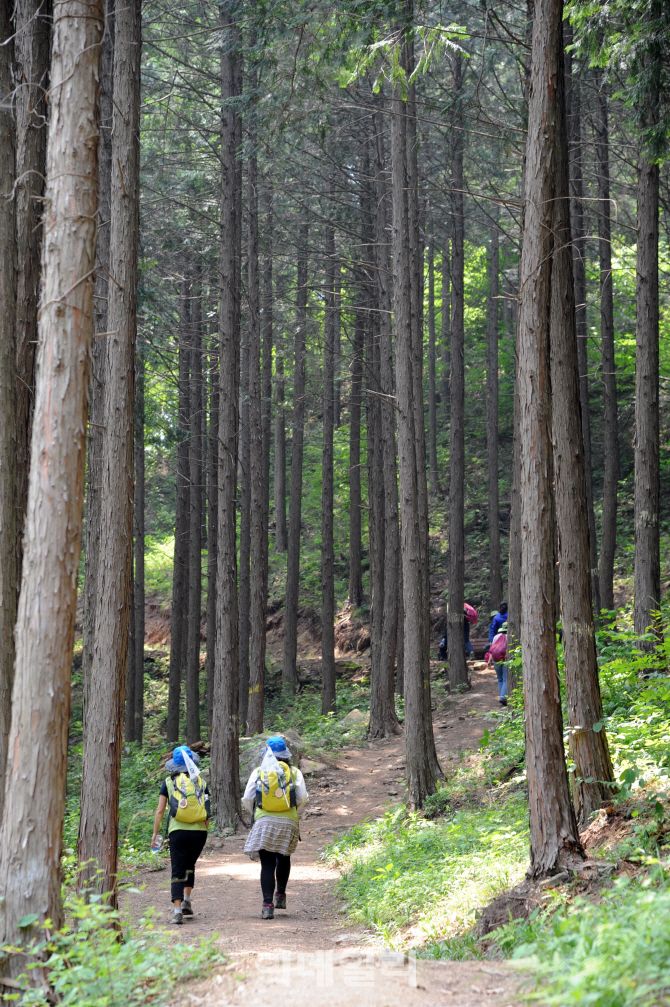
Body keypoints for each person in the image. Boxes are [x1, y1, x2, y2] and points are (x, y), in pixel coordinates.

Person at [242, 735, 309, 920]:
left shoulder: (258, 772)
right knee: (284, 856)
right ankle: (280, 895)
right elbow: (302, 798)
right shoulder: (294, 772)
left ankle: (267, 906)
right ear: (286, 755)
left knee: (267, 864)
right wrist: (291, 810)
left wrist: (256, 812)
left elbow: (247, 798)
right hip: (288, 821)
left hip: (264, 821)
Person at [150, 745, 210, 925]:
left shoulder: (169, 783)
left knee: (178, 868)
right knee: (189, 865)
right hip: (199, 832)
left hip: (177, 831)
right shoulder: (201, 782)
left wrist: (155, 834)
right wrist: (204, 830)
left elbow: (160, 810)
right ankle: (187, 900)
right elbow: (207, 810)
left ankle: (177, 911)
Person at [485, 621, 508, 706]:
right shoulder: (510, 636)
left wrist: (489, 661)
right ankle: (503, 697)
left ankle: (502, 696)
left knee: (500, 679)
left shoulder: (496, 637)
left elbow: (492, 649)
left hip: (495, 659)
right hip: (505, 659)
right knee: (505, 678)